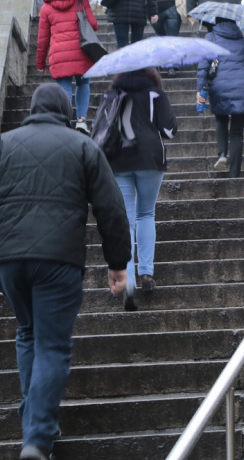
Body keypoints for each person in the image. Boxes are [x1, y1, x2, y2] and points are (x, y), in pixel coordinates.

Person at [0, 84, 131, 460]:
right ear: (67, 111)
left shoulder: (3, 144)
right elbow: (111, 207)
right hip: (58, 262)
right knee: (51, 344)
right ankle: (36, 439)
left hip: (9, 261)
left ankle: (37, 419)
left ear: (32, 110)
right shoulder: (84, 146)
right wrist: (118, 263)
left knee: (28, 332)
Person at [104, 67, 178, 310]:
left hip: (119, 158)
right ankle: (146, 272)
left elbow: (103, 128)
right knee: (146, 213)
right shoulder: (155, 93)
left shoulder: (114, 94)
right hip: (150, 158)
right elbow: (169, 131)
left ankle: (130, 281)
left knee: (126, 217)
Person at [35, 0, 97, 134]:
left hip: (59, 54)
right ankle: (81, 121)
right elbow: (94, 25)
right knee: (83, 83)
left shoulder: (46, 8)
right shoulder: (81, 1)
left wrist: (40, 62)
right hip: (81, 51)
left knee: (64, 88)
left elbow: (43, 39)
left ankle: (65, 122)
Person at [197, 19, 244, 177]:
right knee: (237, 133)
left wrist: (200, 89)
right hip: (242, 87)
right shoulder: (242, 40)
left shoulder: (211, 37)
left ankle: (222, 154)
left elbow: (203, 67)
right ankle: (234, 174)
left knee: (221, 119)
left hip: (219, 86)